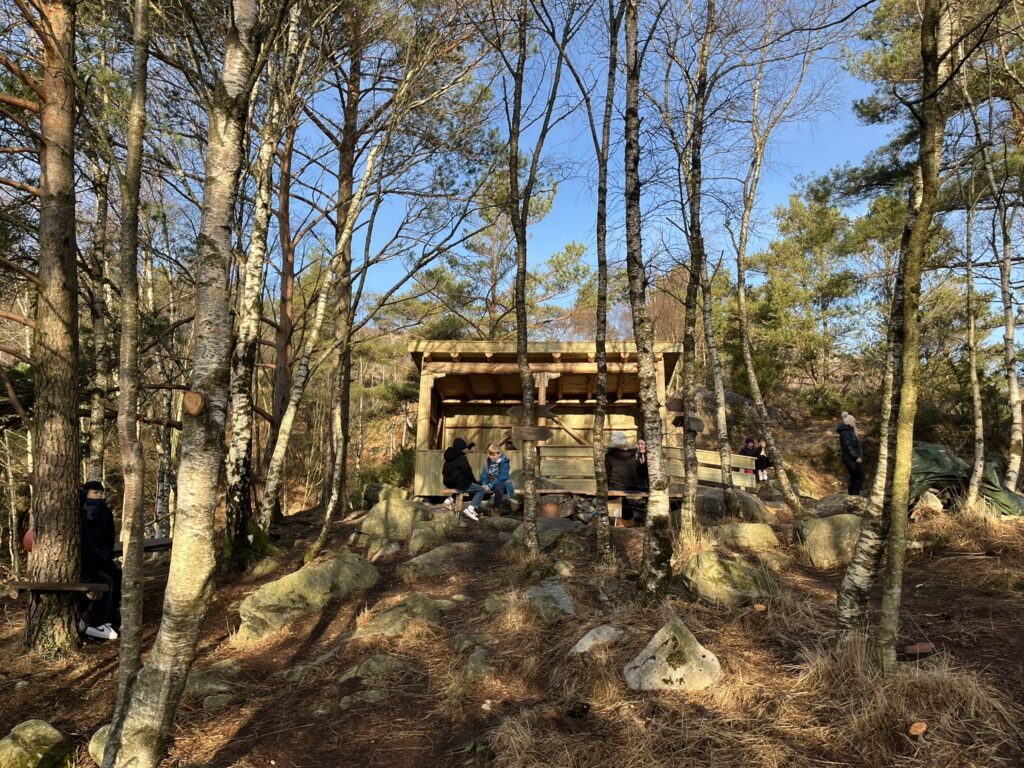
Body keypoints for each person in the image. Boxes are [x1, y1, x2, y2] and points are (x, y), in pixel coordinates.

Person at [79, 481, 121, 641]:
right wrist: (101, 555)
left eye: (101, 493)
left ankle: (105, 617)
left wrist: (105, 555)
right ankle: (97, 622)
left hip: (100, 557)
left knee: (115, 576)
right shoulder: (87, 511)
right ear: (86, 493)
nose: (99, 496)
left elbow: (109, 537)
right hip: (91, 559)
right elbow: (89, 542)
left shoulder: (105, 510)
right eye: (95, 493)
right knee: (106, 580)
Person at [605, 431, 645, 523]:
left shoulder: (610, 455)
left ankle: (614, 520)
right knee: (622, 498)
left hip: (617, 487)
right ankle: (629, 517)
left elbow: (607, 473)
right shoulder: (632, 453)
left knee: (609, 497)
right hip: (635, 486)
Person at [441, 437, 482, 520]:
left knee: (464, 487)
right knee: (480, 489)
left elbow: (443, 471)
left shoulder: (448, 457)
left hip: (447, 482)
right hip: (459, 482)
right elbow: (468, 471)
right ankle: (471, 509)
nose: (464, 450)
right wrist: (473, 482)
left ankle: (448, 501)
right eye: (464, 448)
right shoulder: (461, 458)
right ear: (461, 448)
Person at [470, 444, 515, 514]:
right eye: (490, 455)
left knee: (499, 487)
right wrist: (484, 483)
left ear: (499, 454)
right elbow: (484, 474)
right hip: (489, 481)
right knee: (474, 484)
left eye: (494, 455)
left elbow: (502, 477)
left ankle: (496, 507)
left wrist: (490, 485)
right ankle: (475, 506)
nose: (491, 457)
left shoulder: (505, 462)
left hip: (502, 482)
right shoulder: (488, 461)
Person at [837, 412, 864, 495]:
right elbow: (848, 446)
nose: (854, 423)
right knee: (858, 476)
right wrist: (856, 456)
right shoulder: (846, 433)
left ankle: (853, 494)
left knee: (854, 476)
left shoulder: (848, 431)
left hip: (850, 458)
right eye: (853, 422)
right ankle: (854, 495)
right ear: (850, 422)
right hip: (851, 459)